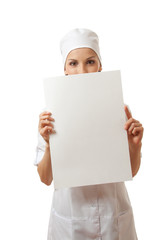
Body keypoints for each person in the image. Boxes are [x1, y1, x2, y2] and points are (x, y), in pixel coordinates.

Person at [34, 28, 144, 240]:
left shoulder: (119, 109)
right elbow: (45, 178)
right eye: (73, 63)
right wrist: (49, 145)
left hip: (114, 216)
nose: (82, 70)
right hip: (70, 221)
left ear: (100, 66)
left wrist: (135, 146)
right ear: (65, 69)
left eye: (90, 62)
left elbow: (130, 170)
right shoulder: (50, 116)